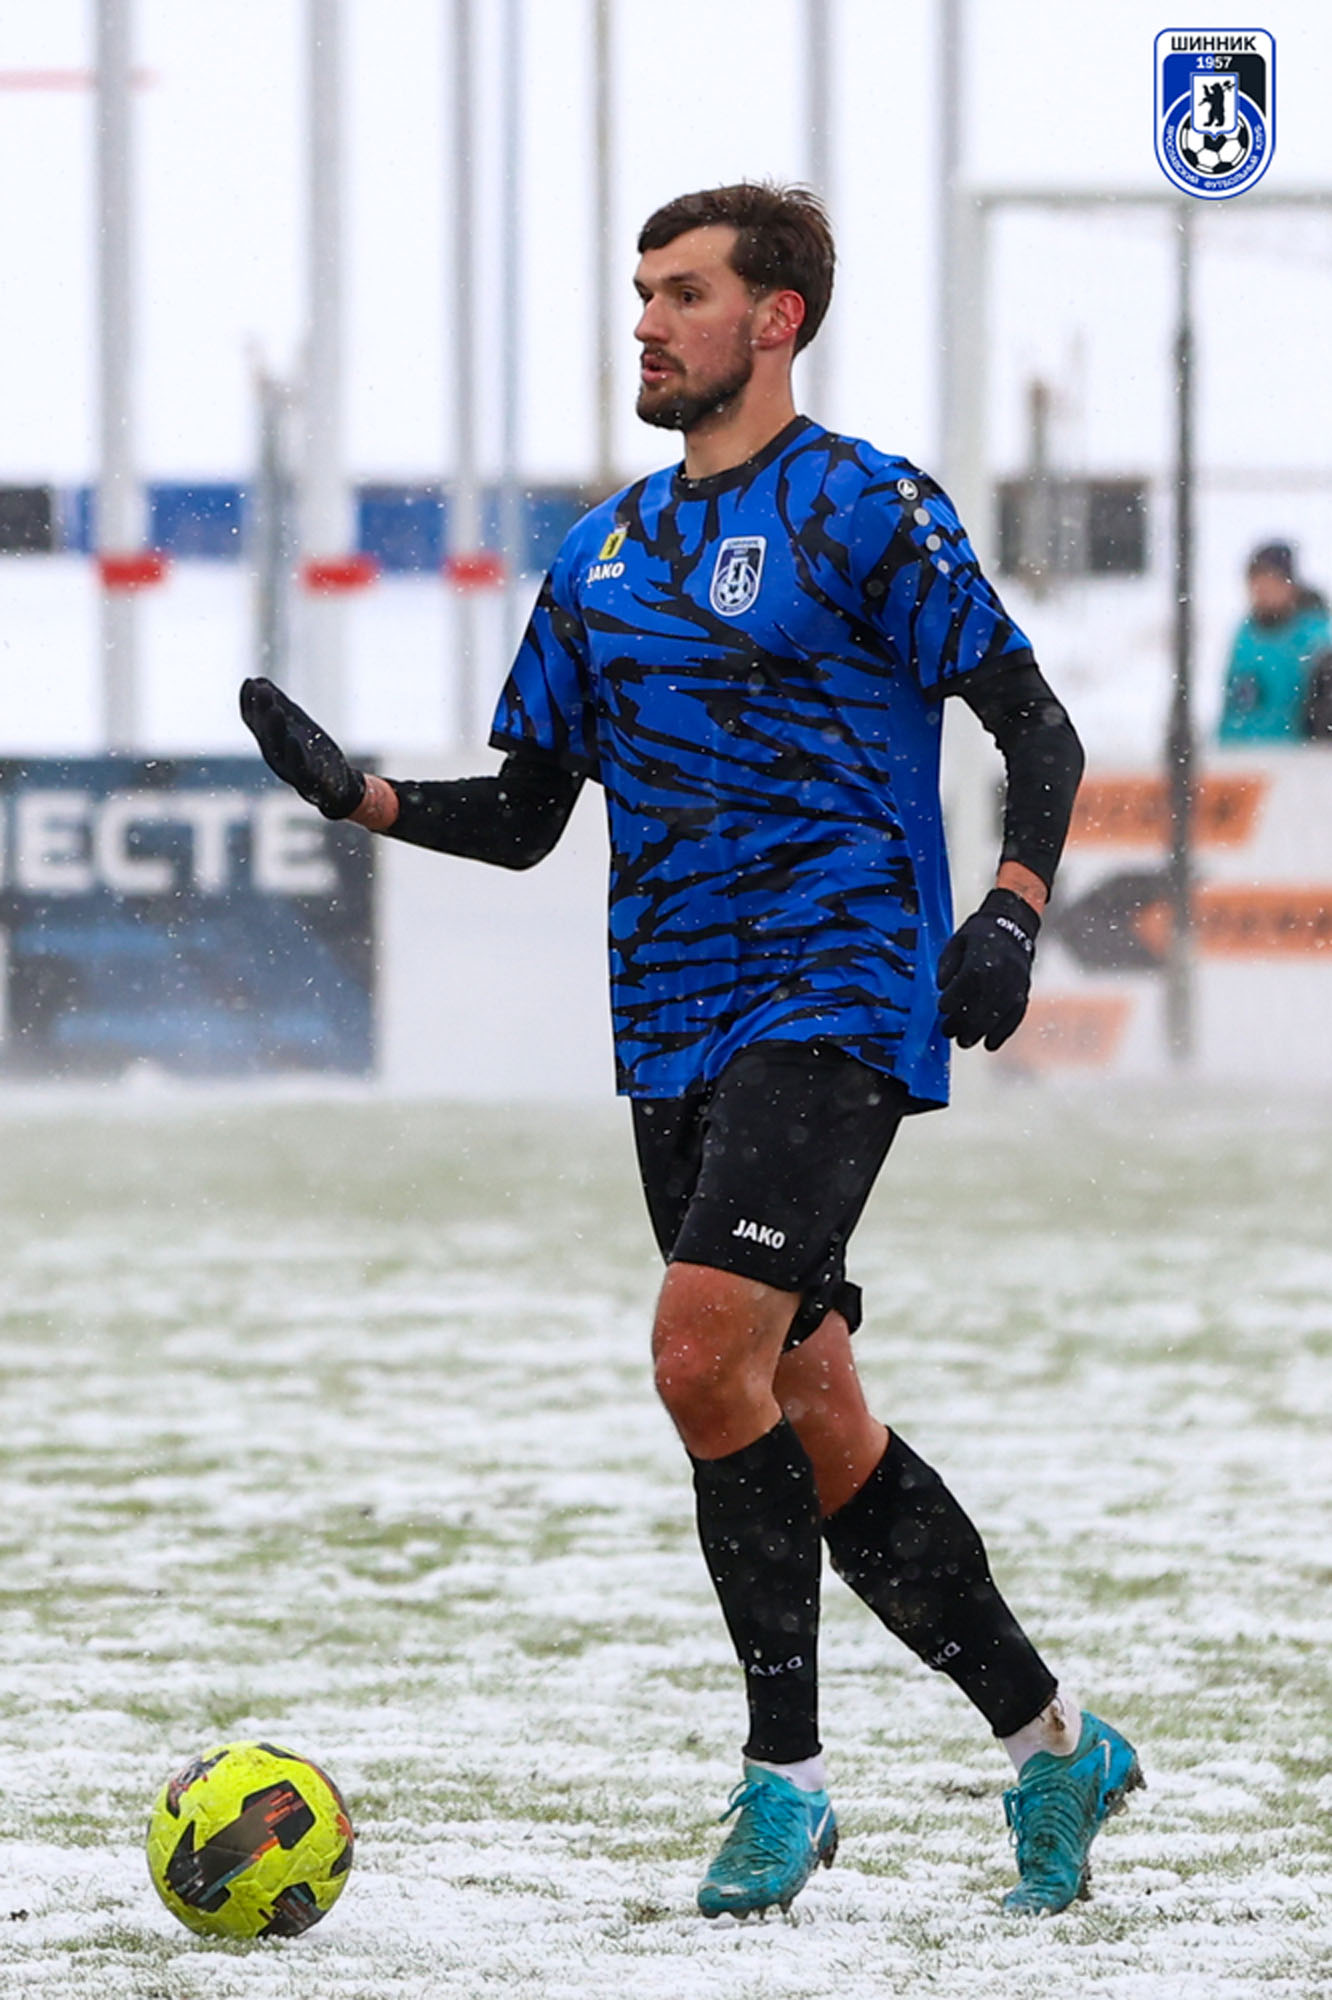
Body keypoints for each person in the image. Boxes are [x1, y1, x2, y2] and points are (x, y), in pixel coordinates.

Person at [241, 182, 1142, 1922]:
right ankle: (1054, 1743)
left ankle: (782, 1783)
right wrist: (358, 794)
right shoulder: (600, 556)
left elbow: (1033, 723)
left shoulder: (862, 504)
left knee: (691, 1353)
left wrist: (1013, 905)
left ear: (775, 319)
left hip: (841, 991)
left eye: (683, 293)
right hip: (670, 1025)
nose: (647, 323)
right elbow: (528, 816)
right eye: (642, 292)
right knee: (803, 1411)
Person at [1217, 541, 1332, 743]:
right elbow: (1234, 703)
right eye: (1256, 583)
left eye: (1270, 582)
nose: (1261, 591)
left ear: (1289, 584)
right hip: (1240, 753)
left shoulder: (1318, 641)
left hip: (1298, 756)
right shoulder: (1245, 635)